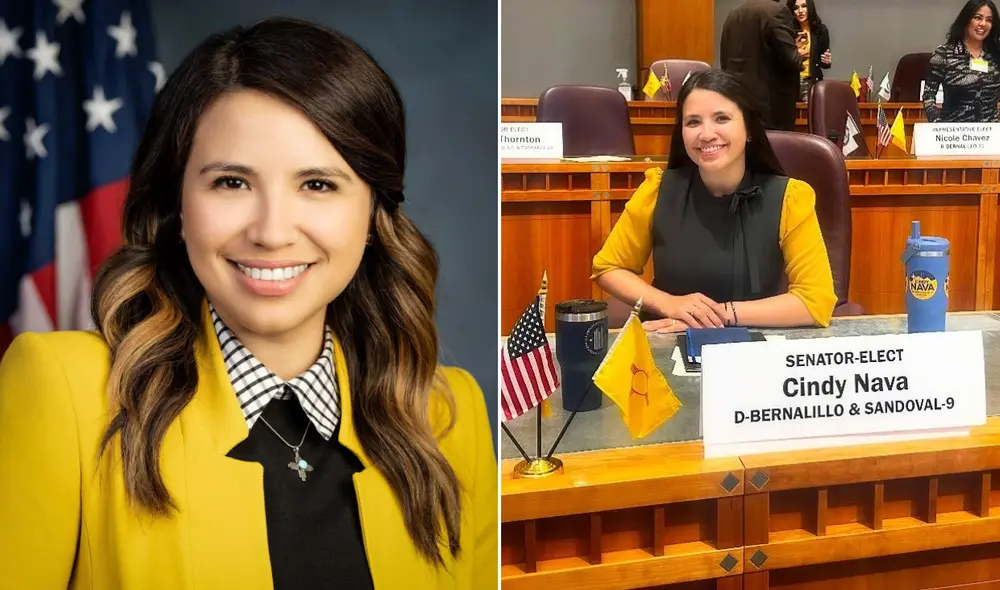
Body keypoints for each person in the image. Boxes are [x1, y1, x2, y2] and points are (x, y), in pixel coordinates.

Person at [0, 18, 496, 589]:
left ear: (372, 216)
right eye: (232, 182)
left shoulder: (446, 415)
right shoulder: (65, 391)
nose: (272, 232)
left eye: (318, 184)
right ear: (178, 205)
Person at [592, 70, 837, 332]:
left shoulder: (790, 198)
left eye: (722, 118)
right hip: (665, 344)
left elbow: (815, 301)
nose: (706, 134)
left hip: (752, 344)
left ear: (750, 129)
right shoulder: (656, 190)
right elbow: (609, 268)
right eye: (693, 122)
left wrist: (717, 315)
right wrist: (668, 304)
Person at [720, 0, 803, 131]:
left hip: (737, 101)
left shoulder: (733, 14)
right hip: (771, 108)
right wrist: (800, 53)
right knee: (775, 149)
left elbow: (724, 60)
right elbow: (792, 60)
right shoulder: (777, 11)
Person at [924, 0, 1000, 122]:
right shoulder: (944, 54)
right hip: (954, 134)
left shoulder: (996, 55)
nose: (983, 24)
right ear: (966, 20)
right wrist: (936, 124)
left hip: (989, 135)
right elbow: (928, 96)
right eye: (978, 18)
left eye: (989, 20)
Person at [787, 0, 833, 102]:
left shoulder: (820, 30)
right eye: (796, 8)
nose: (800, 11)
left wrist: (827, 61)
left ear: (810, 8)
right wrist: (795, 53)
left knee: (810, 115)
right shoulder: (787, 31)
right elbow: (781, 59)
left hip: (811, 81)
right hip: (790, 83)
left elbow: (823, 63)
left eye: (804, 6)